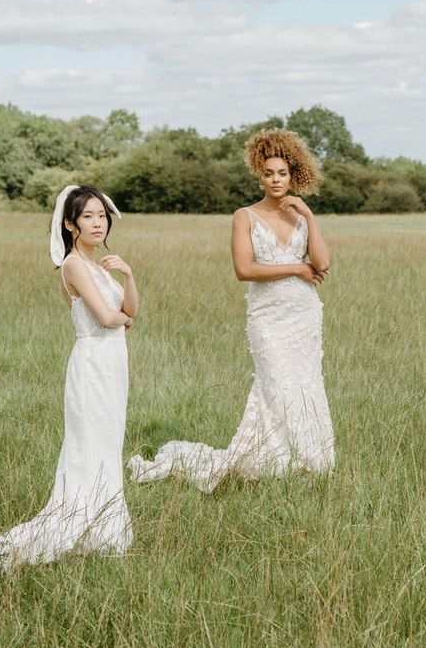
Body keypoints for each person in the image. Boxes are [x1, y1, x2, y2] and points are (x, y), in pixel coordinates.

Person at [0, 185, 138, 573]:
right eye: (88, 217)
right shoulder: (73, 265)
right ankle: (81, 523)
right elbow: (106, 317)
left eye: (101, 215)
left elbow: (128, 309)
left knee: (109, 441)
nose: (98, 223)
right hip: (93, 364)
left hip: (113, 363)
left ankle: (105, 525)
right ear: (70, 224)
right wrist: (123, 319)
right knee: (90, 443)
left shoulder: (100, 266)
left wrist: (128, 277)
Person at [128, 129, 335, 493]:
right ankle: (268, 457)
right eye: (269, 173)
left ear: (293, 174)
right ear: (259, 173)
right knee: (274, 382)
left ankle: (308, 458)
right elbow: (245, 269)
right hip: (268, 317)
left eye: (282, 173)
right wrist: (297, 269)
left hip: (303, 315)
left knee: (305, 382)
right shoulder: (245, 216)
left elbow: (323, 263)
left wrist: (310, 215)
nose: (275, 179)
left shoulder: (301, 216)